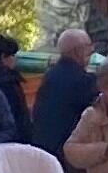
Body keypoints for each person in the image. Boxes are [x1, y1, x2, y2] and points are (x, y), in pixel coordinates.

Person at [26, 25, 97, 155]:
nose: (92, 50)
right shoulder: (83, 81)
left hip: (43, 147)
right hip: (66, 151)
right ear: (78, 51)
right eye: (88, 46)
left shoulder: (50, 75)